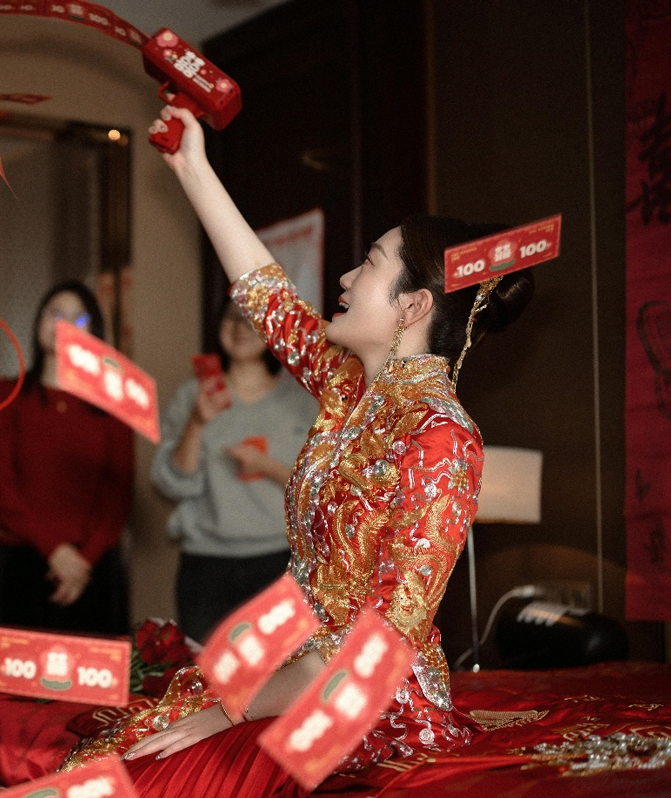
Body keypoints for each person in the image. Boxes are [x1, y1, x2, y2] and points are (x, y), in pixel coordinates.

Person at [98, 105, 533, 789]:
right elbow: (265, 295)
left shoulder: (442, 436)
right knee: (132, 745)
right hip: (286, 650)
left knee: (176, 774)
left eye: (369, 263)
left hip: (364, 698)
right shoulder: (346, 388)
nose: (346, 279)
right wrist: (193, 168)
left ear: (413, 307)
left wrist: (229, 710)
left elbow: (386, 639)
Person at [0, 281, 134, 684]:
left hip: (93, 569)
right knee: (12, 701)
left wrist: (81, 560)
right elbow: (0, 486)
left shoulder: (114, 404)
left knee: (89, 706)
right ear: (38, 323)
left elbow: (117, 496)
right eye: (54, 312)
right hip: (23, 565)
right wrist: (55, 552)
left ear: (94, 332)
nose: (63, 323)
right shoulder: (6, 393)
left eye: (77, 317)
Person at [151, 301, 315, 643]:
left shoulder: (303, 400)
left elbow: (321, 488)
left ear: (273, 331)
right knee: (209, 683)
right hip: (205, 564)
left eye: (252, 319)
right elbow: (171, 484)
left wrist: (265, 466)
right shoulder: (193, 396)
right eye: (231, 317)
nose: (241, 326)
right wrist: (196, 423)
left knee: (279, 679)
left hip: (280, 562)